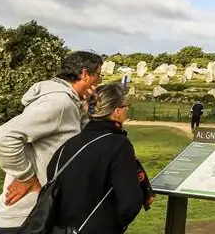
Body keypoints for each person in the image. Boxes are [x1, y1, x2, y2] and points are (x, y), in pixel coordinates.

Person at [0, 50, 103, 234]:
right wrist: (26, 177)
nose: (100, 81)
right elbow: (0, 138)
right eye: (98, 75)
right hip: (26, 220)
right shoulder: (59, 102)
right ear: (84, 74)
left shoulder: (69, 102)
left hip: (40, 216)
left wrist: (86, 108)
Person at [44, 83, 153, 233]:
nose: (127, 110)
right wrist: (113, 223)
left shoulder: (70, 143)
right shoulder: (118, 144)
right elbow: (130, 202)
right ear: (116, 112)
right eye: (126, 106)